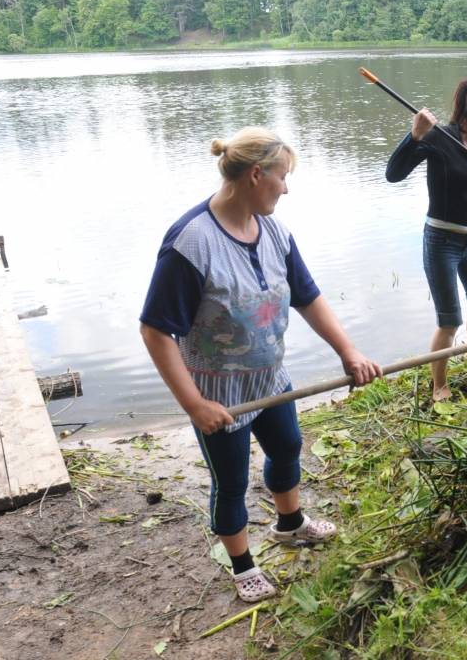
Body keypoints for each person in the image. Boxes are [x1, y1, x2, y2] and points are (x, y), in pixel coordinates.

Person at [139, 127, 381, 603]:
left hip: (270, 379)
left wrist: (348, 352)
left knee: (288, 446)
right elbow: (155, 331)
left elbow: (308, 298)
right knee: (230, 483)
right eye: (282, 178)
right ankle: (242, 564)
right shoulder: (191, 244)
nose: (286, 189)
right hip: (218, 393)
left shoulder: (274, 231)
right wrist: (194, 403)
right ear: (255, 175)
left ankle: (290, 524)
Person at [385, 78, 467, 402]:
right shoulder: (440, 138)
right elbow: (393, 174)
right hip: (440, 239)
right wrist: (413, 136)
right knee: (449, 320)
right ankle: (439, 385)